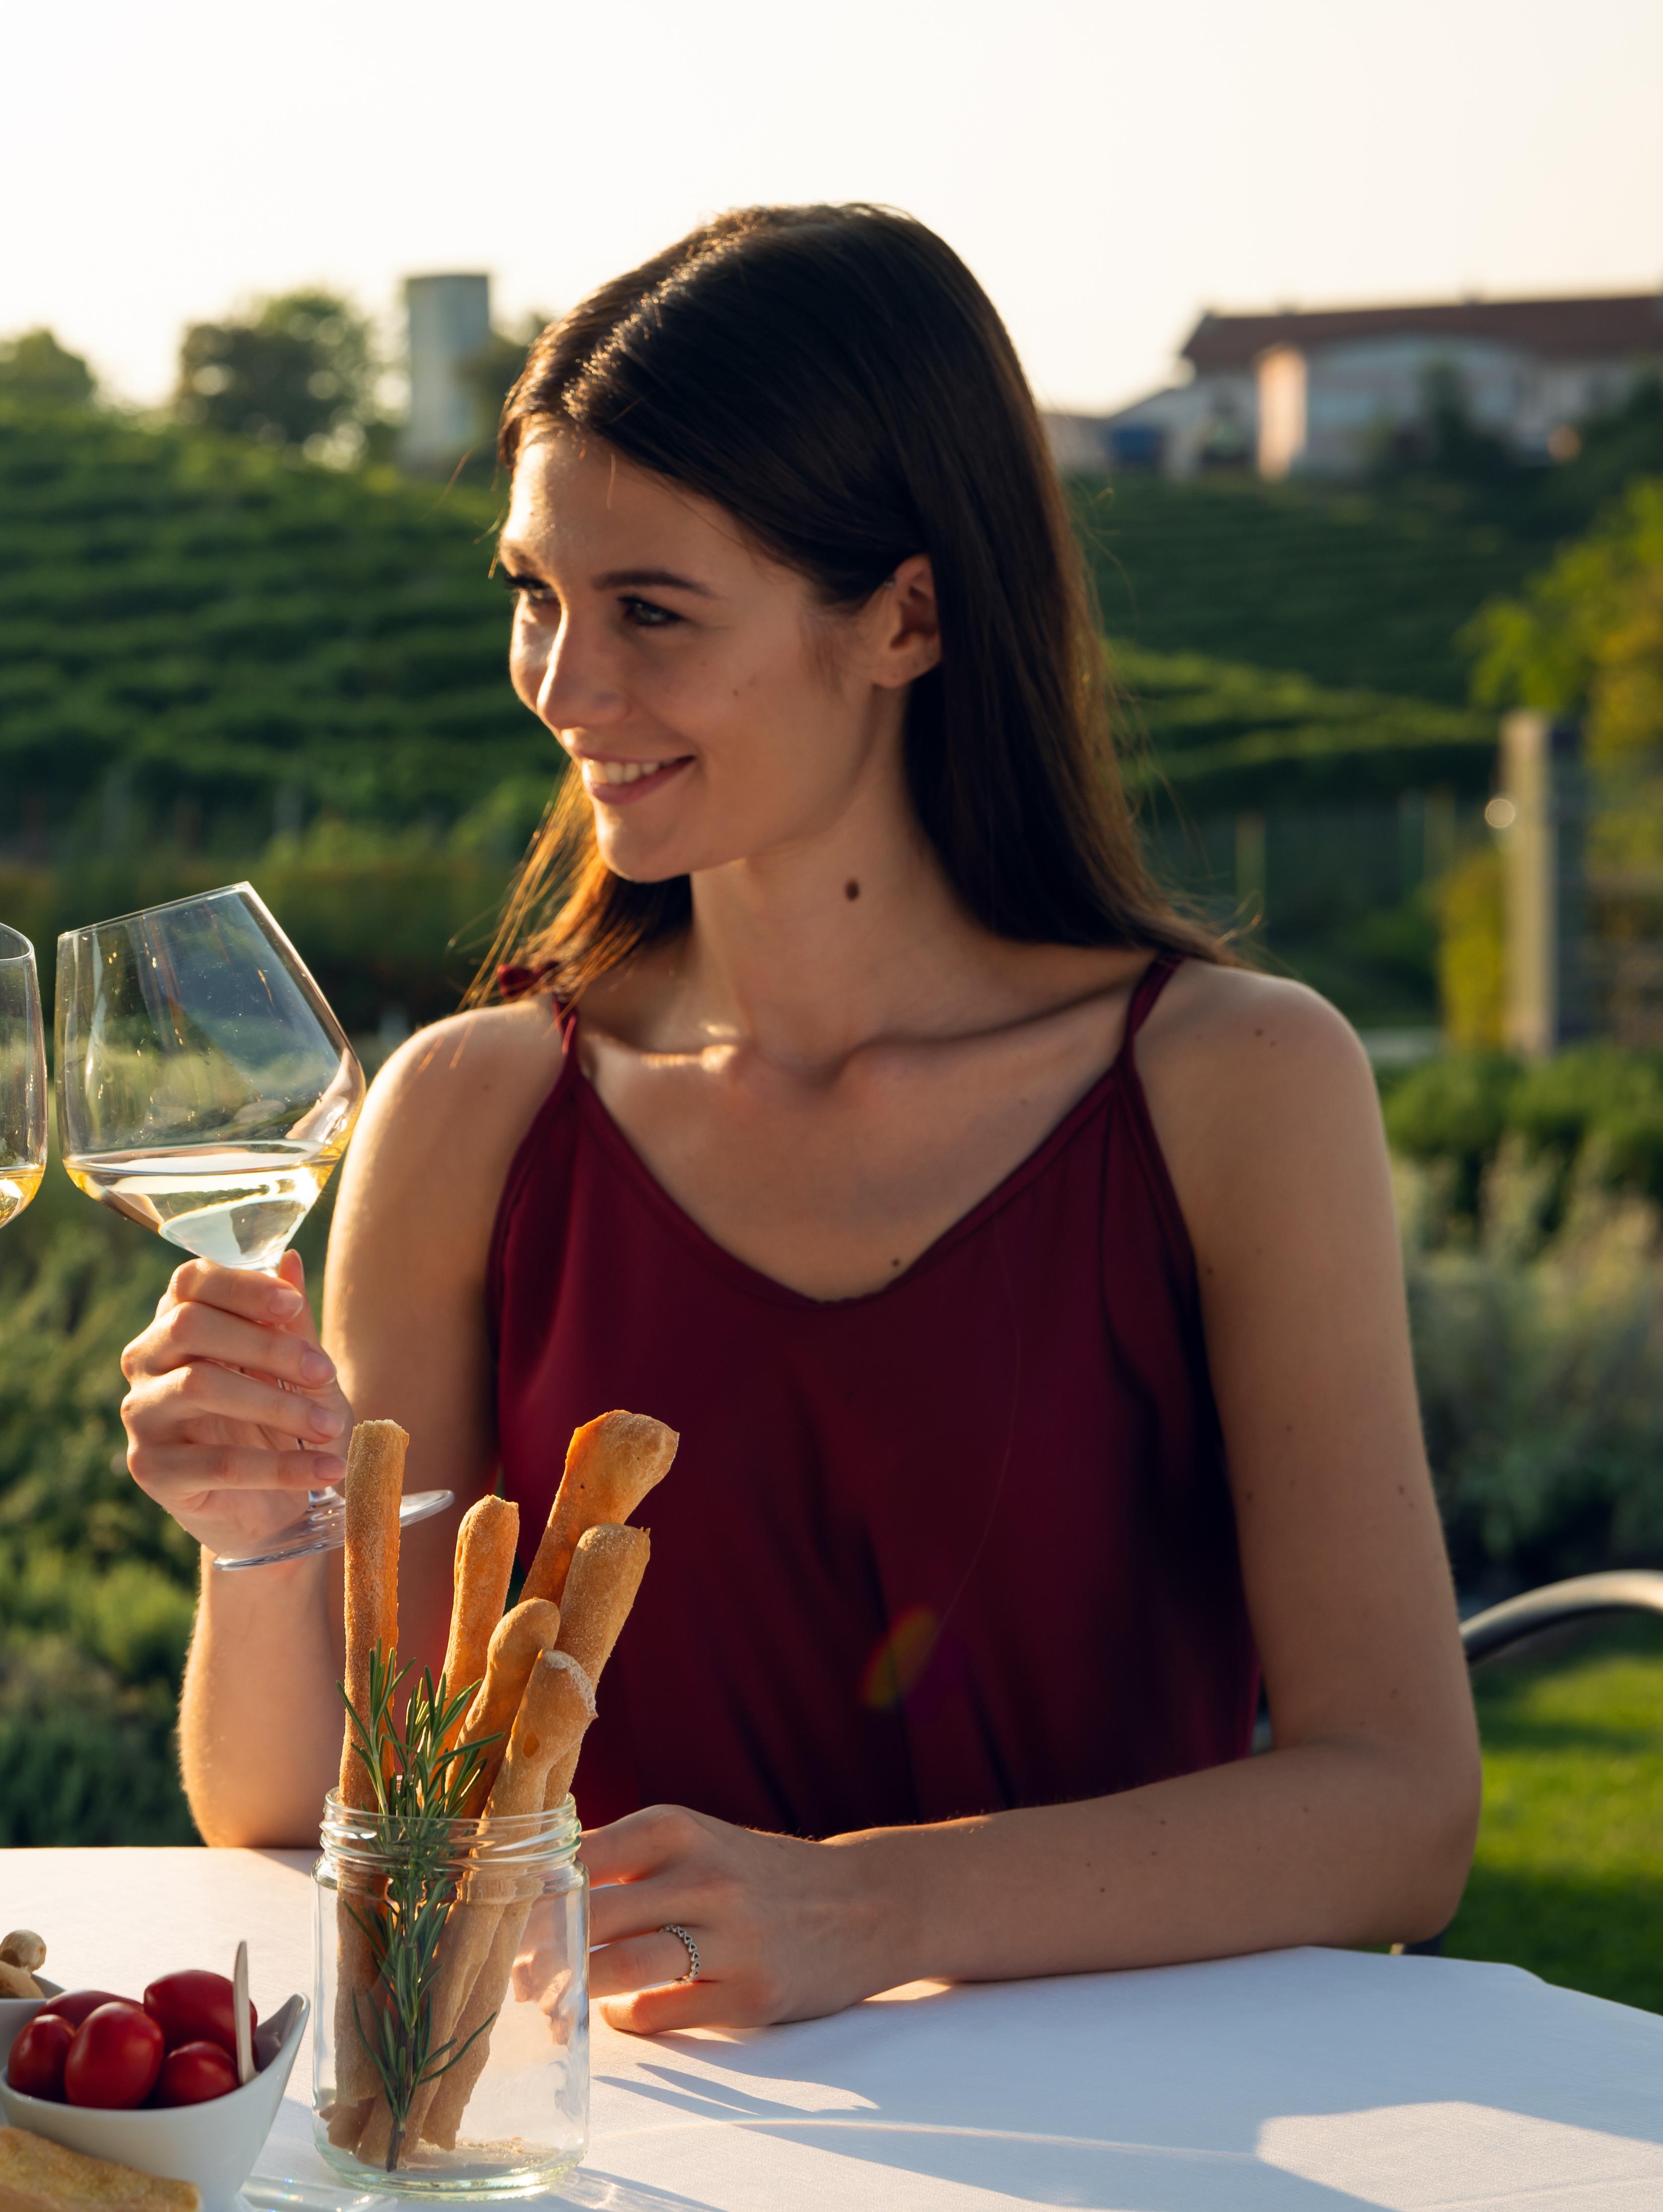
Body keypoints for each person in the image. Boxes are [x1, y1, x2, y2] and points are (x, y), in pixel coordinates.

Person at [116, 206, 1479, 2034]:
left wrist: (864, 1909)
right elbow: (299, 1804)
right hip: (629, 2141)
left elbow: (1400, 1804)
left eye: (652, 612)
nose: (563, 685)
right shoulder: (475, 1111)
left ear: (906, 616)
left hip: (1136, 2144)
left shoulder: (1233, 1084)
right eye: (536, 593)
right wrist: (256, 1537)